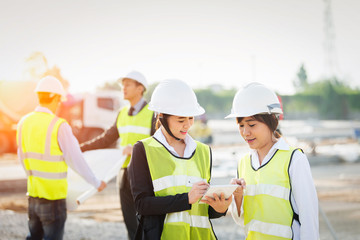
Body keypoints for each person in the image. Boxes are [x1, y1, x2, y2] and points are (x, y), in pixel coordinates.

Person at [128, 79, 232, 240]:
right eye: (181, 120)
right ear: (161, 117)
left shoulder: (203, 151)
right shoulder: (143, 150)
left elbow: (203, 211)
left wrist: (220, 208)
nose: (188, 125)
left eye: (191, 118)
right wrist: (186, 199)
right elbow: (142, 205)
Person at [17, 76, 106, 240]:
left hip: (33, 195)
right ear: (56, 98)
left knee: (34, 237)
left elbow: (21, 157)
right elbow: (76, 160)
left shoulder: (24, 122)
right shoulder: (58, 125)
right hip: (53, 198)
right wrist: (96, 182)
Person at [227, 82, 319, 240]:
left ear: (272, 122)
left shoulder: (294, 159)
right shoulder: (243, 162)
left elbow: (309, 219)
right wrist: (237, 198)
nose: (245, 132)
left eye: (252, 124)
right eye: (241, 125)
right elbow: (242, 221)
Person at [80, 70, 155, 240]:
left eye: (128, 85)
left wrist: (136, 149)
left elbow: (160, 146)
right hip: (124, 174)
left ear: (140, 88)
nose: (123, 88)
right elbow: (106, 139)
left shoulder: (153, 113)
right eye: (123, 85)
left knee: (147, 223)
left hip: (145, 174)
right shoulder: (121, 113)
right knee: (130, 224)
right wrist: (80, 148)